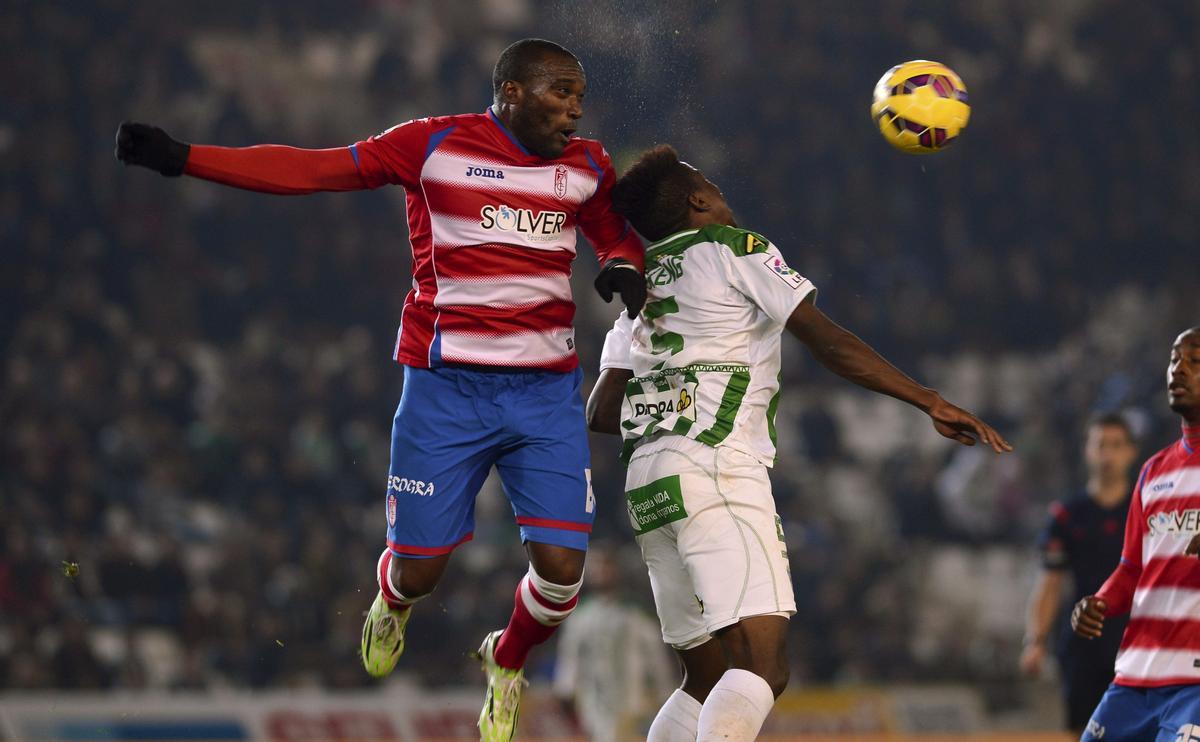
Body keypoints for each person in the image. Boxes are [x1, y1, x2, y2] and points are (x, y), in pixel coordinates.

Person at [115, 38, 646, 742]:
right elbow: (314, 170)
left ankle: (506, 662)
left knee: (563, 575)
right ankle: (391, 602)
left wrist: (619, 263)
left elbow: (615, 233)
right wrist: (186, 158)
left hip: (544, 392)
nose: (575, 110)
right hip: (444, 387)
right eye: (560, 93)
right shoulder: (431, 146)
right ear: (512, 92)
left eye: (579, 96)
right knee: (421, 573)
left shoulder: (588, 165)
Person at [586, 145, 1012, 741]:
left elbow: (602, 411)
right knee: (764, 665)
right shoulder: (737, 249)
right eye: (711, 182)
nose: (721, 192)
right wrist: (928, 400)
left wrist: (674, 389)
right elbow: (828, 341)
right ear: (698, 200)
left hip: (649, 484)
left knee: (705, 681)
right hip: (715, 466)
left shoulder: (638, 289)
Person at [1071, 327, 1200, 741]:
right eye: (1174, 359)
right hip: (1133, 680)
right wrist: (1101, 602)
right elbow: (1131, 569)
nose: (1178, 369)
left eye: (1195, 361)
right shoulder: (1154, 471)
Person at [1019, 413, 1138, 737]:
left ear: (1131, 452)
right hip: (1082, 642)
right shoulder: (1067, 514)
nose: (1107, 454)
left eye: (1116, 445)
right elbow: (1049, 581)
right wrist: (1036, 640)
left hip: (1136, 642)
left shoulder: (1147, 509)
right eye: (1100, 445)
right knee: (1082, 731)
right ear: (1087, 450)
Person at [553, 544, 675, 742]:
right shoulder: (580, 616)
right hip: (594, 703)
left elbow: (656, 657)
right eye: (595, 566)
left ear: (617, 570)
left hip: (634, 702)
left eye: (606, 565)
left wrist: (665, 693)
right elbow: (571, 656)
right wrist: (566, 688)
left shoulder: (635, 613)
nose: (601, 571)